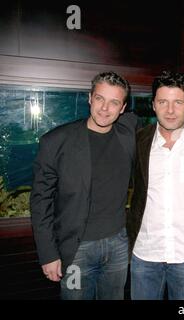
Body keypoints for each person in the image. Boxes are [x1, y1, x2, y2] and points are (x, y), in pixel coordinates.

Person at [30, 71, 137, 300]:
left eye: (114, 102)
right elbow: (40, 202)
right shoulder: (56, 142)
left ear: (123, 108)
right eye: (99, 98)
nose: (105, 108)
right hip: (75, 252)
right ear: (90, 98)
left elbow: (167, 123)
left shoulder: (129, 131)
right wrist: (48, 254)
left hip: (118, 247)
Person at [126, 71, 184, 300]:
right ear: (153, 105)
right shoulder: (138, 140)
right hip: (144, 254)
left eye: (178, 102)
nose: (170, 110)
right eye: (163, 102)